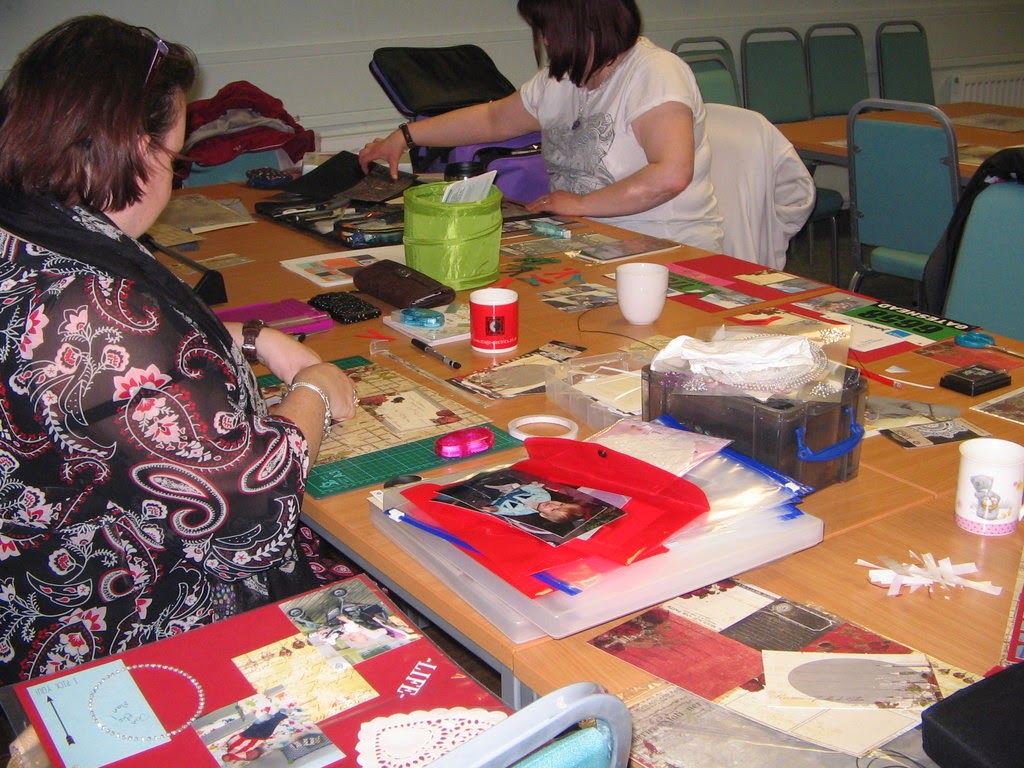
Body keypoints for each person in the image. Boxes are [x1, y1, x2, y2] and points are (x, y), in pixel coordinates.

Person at [0, 16, 357, 687]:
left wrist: (251, 337)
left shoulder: (31, 228)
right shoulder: (89, 309)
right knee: (383, 557)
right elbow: (252, 502)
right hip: (121, 627)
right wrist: (312, 390)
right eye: (176, 156)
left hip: (37, 584)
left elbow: (123, 368)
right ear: (136, 150)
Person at [358, 0, 724, 252]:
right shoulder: (563, 78)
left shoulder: (656, 72)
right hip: (586, 240)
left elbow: (670, 175)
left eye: (550, 28)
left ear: (588, 24)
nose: (546, 39)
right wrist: (405, 137)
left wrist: (580, 204)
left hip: (667, 247)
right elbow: (493, 119)